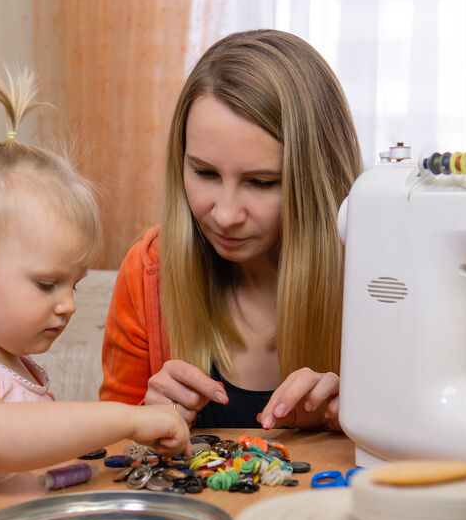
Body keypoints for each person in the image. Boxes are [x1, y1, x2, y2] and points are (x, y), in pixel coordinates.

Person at [0, 62, 190, 520]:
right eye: (45, 284)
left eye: (73, 285)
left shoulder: (17, 365)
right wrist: (127, 419)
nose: (68, 304)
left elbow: (34, 476)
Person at [100, 29, 363, 431]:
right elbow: (111, 457)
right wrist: (138, 423)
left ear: (316, 179)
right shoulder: (148, 272)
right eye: (204, 172)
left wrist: (361, 420)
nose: (224, 215)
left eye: (261, 182)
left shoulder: (378, 281)